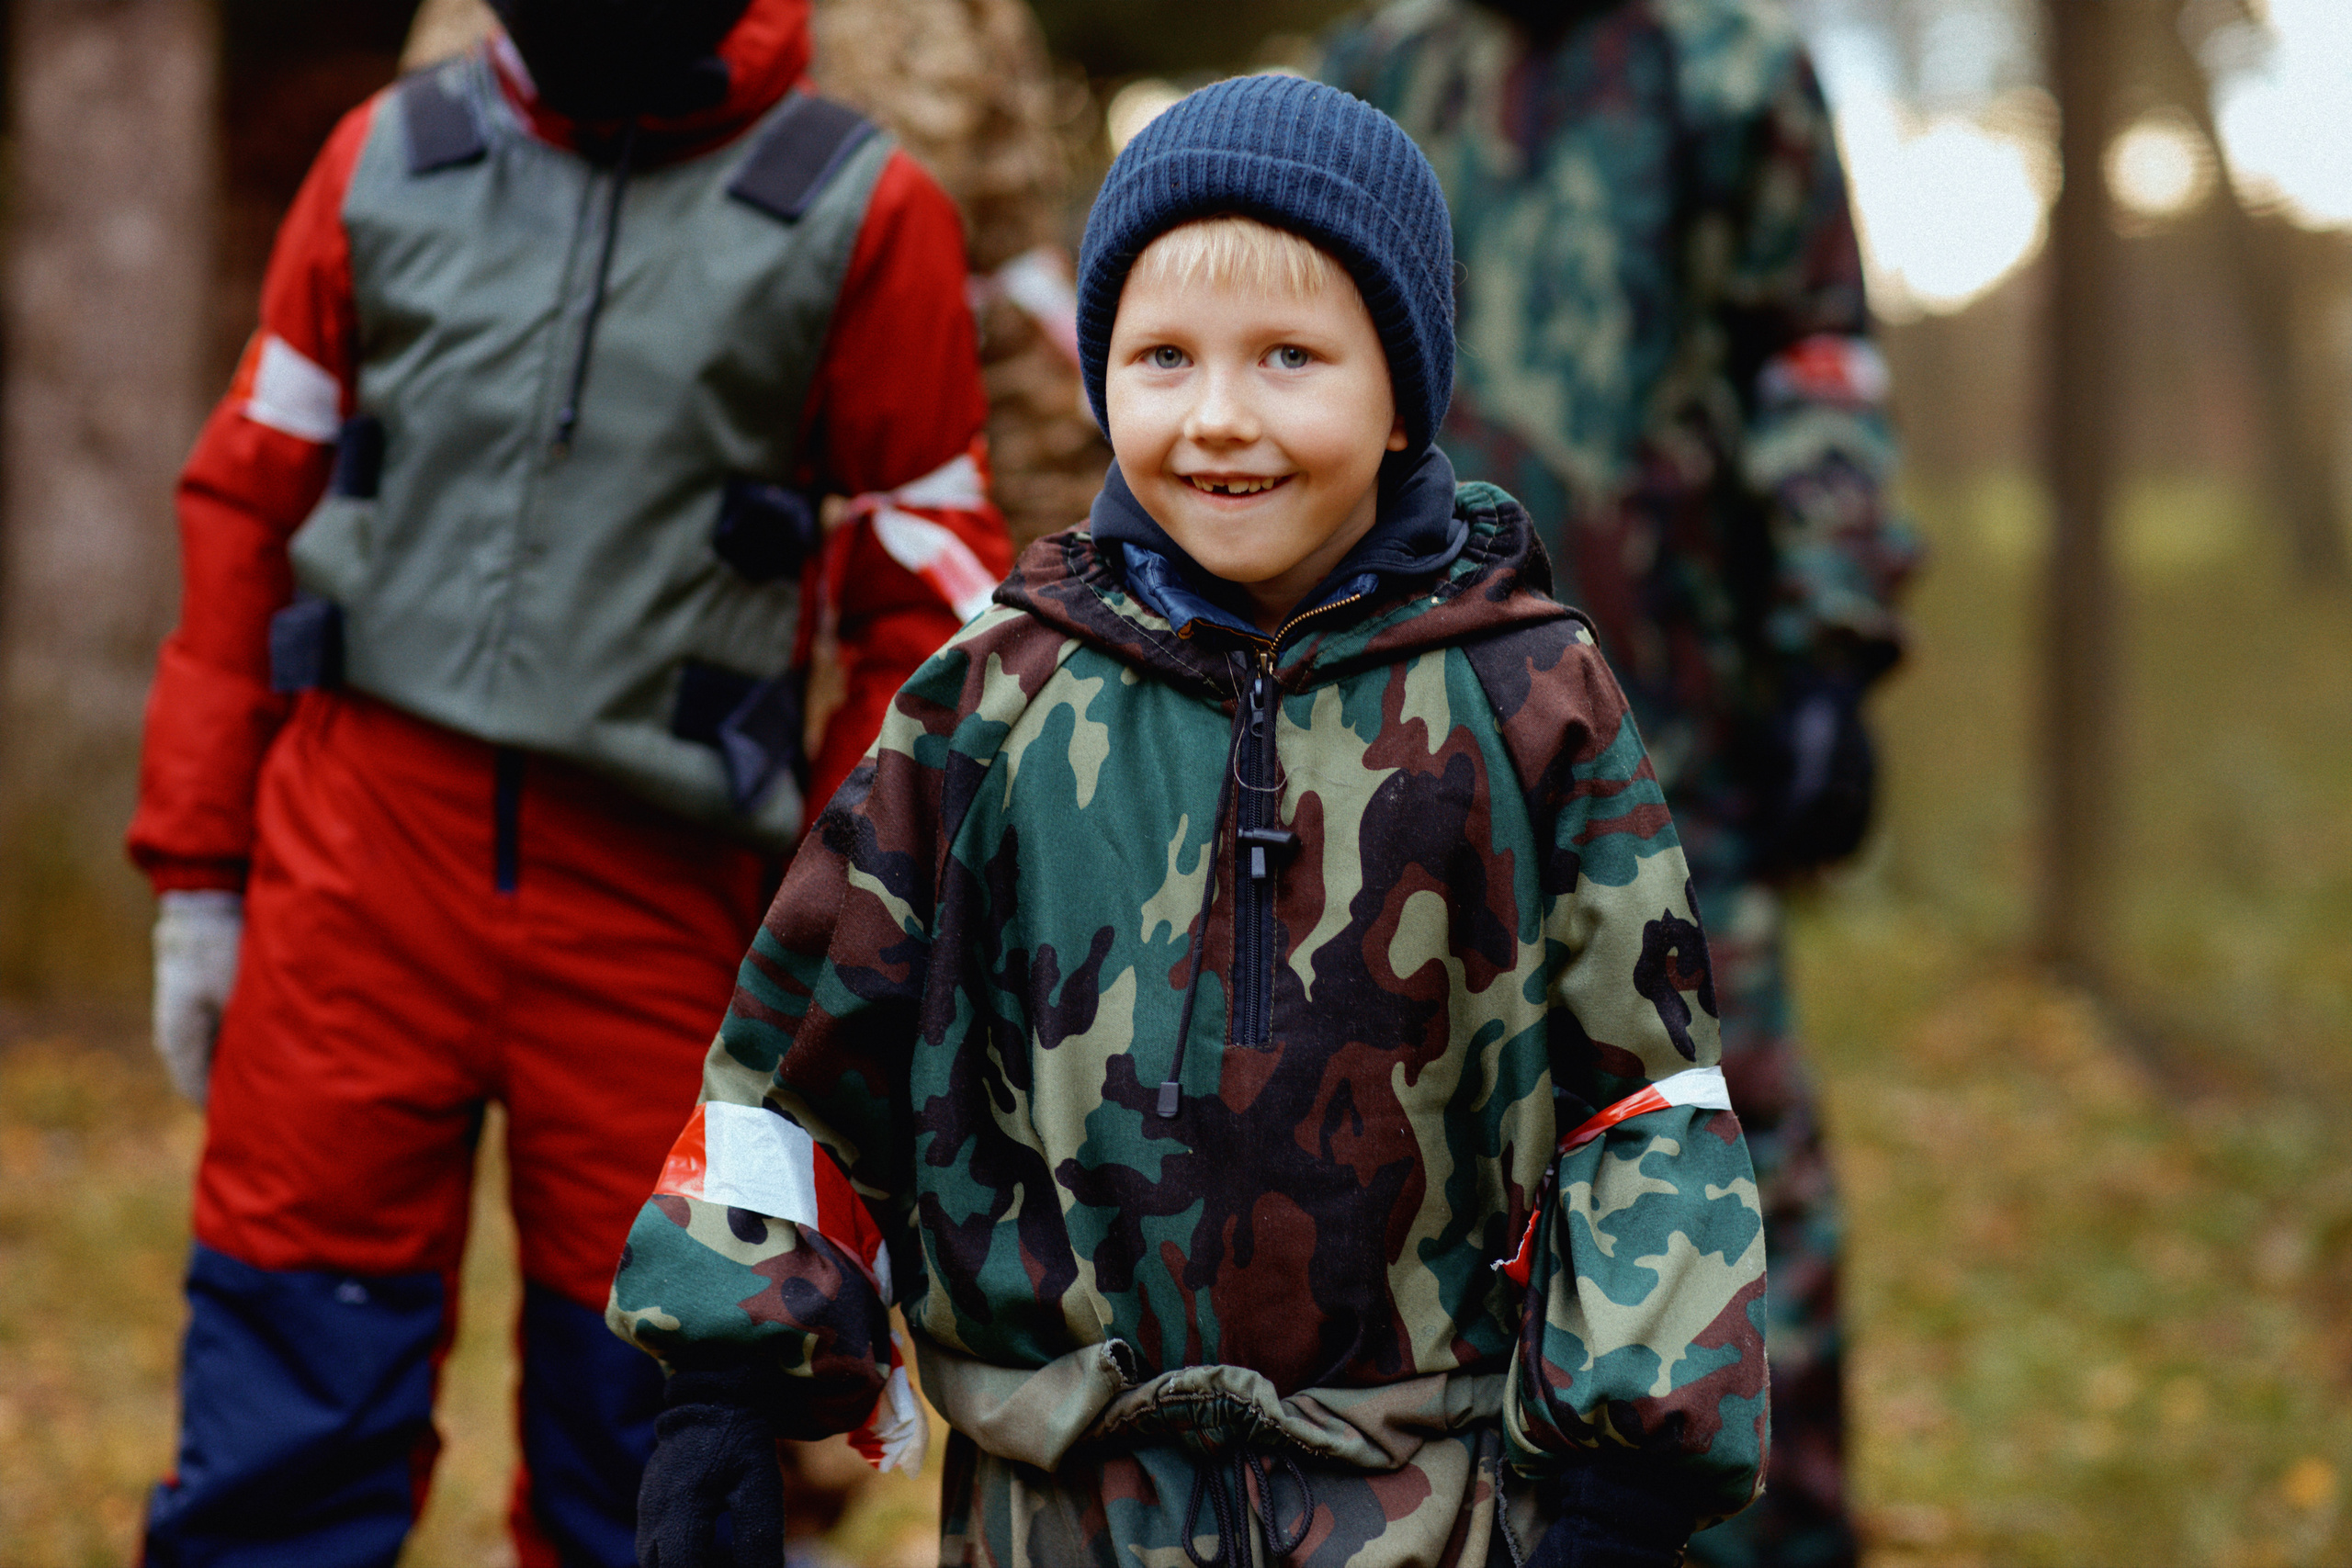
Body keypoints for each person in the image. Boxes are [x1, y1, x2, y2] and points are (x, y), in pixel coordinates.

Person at [607, 73, 1768, 1568]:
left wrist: (1631, 1470)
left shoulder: (1532, 698)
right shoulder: (994, 703)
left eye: (1290, 356)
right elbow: (808, 1059)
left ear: (1403, 390)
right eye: (1162, 358)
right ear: (1100, 380)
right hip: (1067, 1504)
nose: (1218, 418)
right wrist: (724, 1385)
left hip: (1440, 1507)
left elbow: (1644, 1101)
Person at [128, 0, 1011, 1561]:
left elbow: (918, 619)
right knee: (284, 1404)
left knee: (653, 1440)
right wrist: (202, 876)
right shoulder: (390, 156)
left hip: (664, 900)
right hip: (356, 854)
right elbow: (244, 510)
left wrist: (846, 965)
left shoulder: (860, 209)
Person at [1320, 5, 1921, 1562]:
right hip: (1406, 739)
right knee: (1422, 1153)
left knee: (1719, 1158)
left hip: (1680, 747)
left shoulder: (1729, 70)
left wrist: (1832, 650)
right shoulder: (1381, 70)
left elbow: (1811, 352)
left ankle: (1765, 1534)